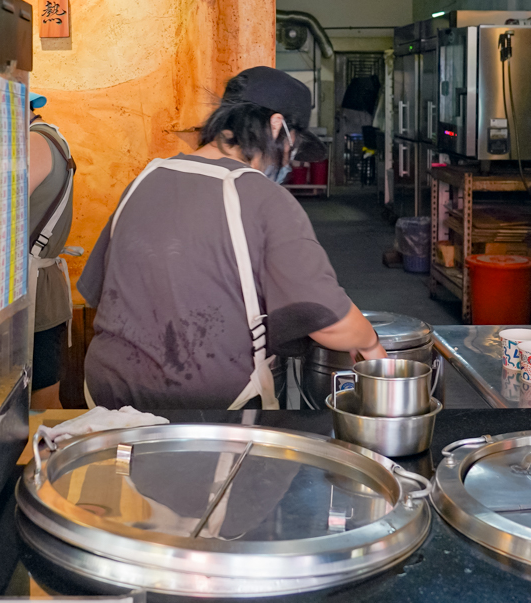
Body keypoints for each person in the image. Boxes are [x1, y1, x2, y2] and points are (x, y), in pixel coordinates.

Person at [77, 66, 386, 412]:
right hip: (209, 411)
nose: (290, 160)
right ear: (276, 126)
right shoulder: (265, 198)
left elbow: (96, 293)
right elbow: (330, 323)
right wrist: (371, 344)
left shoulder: (145, 179)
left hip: (108, 401)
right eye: (293, 147)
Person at [27, 93, 77, 410]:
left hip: (34, 294)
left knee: (41, 403)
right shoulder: (47, 138)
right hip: (40, 288)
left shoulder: (35, 142)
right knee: (43, 400)